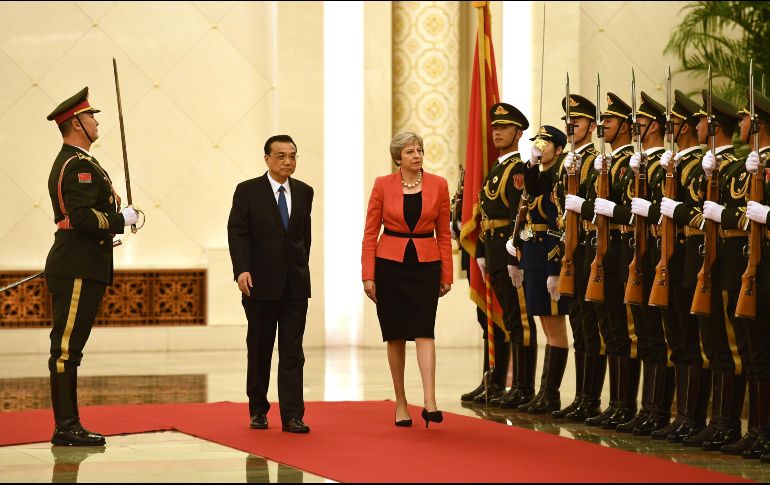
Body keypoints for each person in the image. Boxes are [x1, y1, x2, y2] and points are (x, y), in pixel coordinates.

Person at [44, 87, 139, 446]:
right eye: (91, 117)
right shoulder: (76, 165)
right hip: (78, 266)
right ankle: (66, 427)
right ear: (76, 123)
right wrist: (119, 219)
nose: (97, 121)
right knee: (66, 349)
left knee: (72, 348)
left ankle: (69, 424)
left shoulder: (83, 162)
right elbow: (82, 218)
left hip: (83, 264)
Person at [361, 131, 452, 428]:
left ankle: (430, 401)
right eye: (410, 151)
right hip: (389, 266)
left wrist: (447, 274)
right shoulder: (382, 185)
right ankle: (401, 403)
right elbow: (370, 234)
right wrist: (368, 275)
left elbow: (445, 233)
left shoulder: (439, 185)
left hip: (426, 266)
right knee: (396, 334)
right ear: (397, 157)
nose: (417, 155)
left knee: (425, 330)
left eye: (420, 150)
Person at [227, 134, 314, 434]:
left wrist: (300, 269)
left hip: (295, 286)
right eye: (280, 156)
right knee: (260, 348)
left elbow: (304, 237)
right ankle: (258, 409)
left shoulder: (304, 192)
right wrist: (241, 270)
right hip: (259, 284)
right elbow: (237, 233)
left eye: (292, 155)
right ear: (266, 158)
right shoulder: (248, 191)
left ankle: (292, 415)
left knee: (293, 351)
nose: (287, 161)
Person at [655, 89, 711, 443]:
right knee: (675, 337)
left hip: (690, 258)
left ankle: (694, 416)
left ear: (690, 127)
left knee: (692, 339)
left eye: (674, 124)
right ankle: (681, 414)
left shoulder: (698, 165)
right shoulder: (673, 164)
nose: (669, 130)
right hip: (669, 257)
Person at [474, 103, 536, 409]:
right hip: (496, 251)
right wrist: (482, 251)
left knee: (519, 320)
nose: (497, 132)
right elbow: (486, 214)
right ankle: (509, 384)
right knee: (507, 320)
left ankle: (523, 387)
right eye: (495, 127)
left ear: (519, 133)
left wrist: (516, 259)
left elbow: (520, 218)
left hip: (511, 254)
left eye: (505, 128)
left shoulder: (517, 171)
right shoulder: (499, 168)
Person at [506, 125, 570, 414]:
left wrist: (554, 268)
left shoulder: (558, 179)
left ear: (558, 150)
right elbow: (528, 189)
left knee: (555, 327)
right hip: (532, 257)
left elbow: (559, 227)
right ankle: (545, 391)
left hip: (548, 257)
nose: (540, 147)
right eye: (537, 142)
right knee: (544, 324)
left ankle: (551, 393)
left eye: (545, 144)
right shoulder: (540, 177)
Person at [587, 92, 641, 430]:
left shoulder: (631, 163)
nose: (603, 124)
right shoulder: (608, 163)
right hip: (605, 248)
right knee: (610, 327)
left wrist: (613, 210)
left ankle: (627, 405)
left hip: (625, 247)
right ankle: (617, 402)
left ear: (625, 126)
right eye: (602, 119)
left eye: (610, 120)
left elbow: (637, 209)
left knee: (626, 329)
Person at [556, 94, 605, 422]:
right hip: (570, 246)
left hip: (590, 244)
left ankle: (592, 399)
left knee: (591, 326)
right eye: (568, 121)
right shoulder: (569, 160)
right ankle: (581, 396)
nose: (571, 125)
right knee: (578, 324)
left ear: (591, 125)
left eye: (578, 120)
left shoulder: (595, 160)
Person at [740, 89, 770, 464]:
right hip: (754, 267)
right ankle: (758, 431)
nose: (742, 125)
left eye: (748, 119)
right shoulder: (752, 165)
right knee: (755, 351)